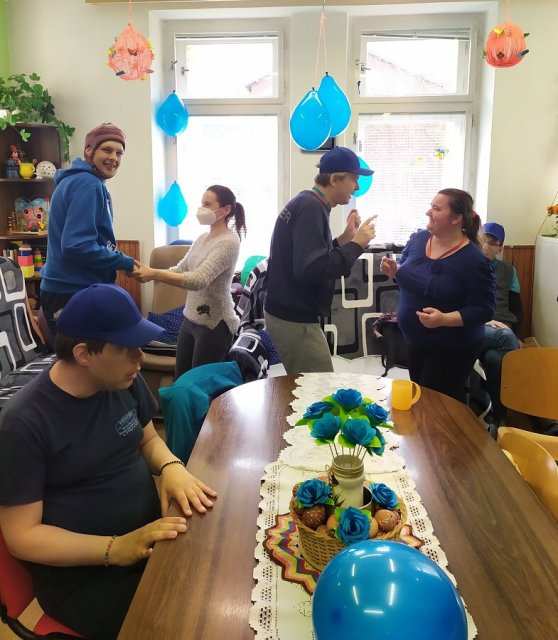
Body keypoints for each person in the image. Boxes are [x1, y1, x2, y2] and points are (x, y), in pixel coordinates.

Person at [0, 284, 217, 640]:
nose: (139, 357)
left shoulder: (122, 381)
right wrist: (114, 549)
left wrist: (171, 467)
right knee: (192, 622)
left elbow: (148, 439)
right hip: (88, 577)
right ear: (84, 354)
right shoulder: (24, 423)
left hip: (147, 541)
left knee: (220, 572)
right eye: (125, 348)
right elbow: (22, 537)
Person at [264, 146, 377, 374]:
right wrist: (357, 245)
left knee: (308, 385)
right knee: (319, 387)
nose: (357, 187)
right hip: (293, 318)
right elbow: (311, 269)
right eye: (354, 180)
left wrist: (345, 239)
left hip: (287, 313)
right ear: (334, 180)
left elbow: (309, 255)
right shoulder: (311, 207)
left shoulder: (307, 201)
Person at [380, 188, 495, 403]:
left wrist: (444, 319)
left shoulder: (474, 260)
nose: (428, 212)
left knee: (434, 407)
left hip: (451, 347)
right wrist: (395, 271)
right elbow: (407, 275)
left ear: (456, 218)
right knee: (421, 400)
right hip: (415, 341)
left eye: (436, 208)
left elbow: (485, 309)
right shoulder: (419, 239)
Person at [132, 185, 245, 378]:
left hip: (214, 323)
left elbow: (199, 280)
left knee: (200, 385)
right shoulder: (202, 238)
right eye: (202, 203)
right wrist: (148, 271)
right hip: (190, 317)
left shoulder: (229, 242)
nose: (201, 208)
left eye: (208, 204)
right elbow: (180, 269)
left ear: (226, 210)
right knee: (181, 381)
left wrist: (154, 274)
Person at [40, 123, 135, 339]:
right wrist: (124, 261)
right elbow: (77, 245)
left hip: (65, 289)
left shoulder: (77, 181)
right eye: (107, 150)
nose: (114, 158)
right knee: (82, 358)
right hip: (72, 290)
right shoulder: (87, 184)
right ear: (88, 150)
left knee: (76, 356)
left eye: (119, 153)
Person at [479, 222, 522, 423]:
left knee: (494, 360)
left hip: (505, 329)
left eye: (492, 243)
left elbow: (516, 307)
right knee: (513, 354)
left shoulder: (508, 270)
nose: (486, 246)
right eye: (484, 240)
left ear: (500, 248)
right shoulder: (470, 266)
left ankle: (499, 416)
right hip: (483, 326)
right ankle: (541, 419)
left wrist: (518, 336)